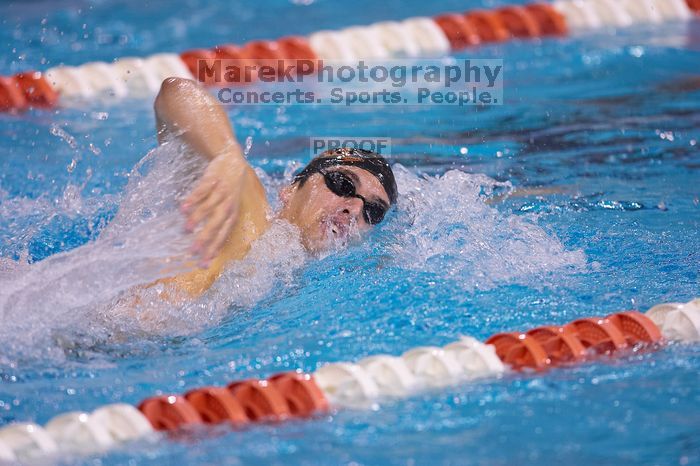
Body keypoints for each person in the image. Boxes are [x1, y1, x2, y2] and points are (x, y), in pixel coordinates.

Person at [149, 77, 397, 299]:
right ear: (290, 189)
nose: (354, 208)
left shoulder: (308, 286)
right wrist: (226, 154)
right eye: (342, 184)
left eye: (373, 210)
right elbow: (175, 92)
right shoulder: (247, 212)